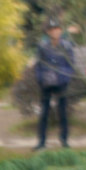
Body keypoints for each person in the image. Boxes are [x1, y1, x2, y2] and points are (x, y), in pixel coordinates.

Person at [35, 20, 76, 149]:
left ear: (61, 31)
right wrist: (41, 78)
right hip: (46, 83)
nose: (55, 32)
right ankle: (41, 142)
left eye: (57, 29)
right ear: (48, 32)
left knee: (63, 112)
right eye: (52, 29)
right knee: (44, 113)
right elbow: (38, 65)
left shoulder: (67, 46)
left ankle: (64, 140)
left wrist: (64, 77)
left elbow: (71, 64)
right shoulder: (42, 46)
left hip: (61, 82)